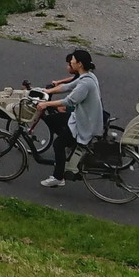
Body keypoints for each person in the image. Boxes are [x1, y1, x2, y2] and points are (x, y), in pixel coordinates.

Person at [35, 48, 102, 189]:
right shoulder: (88, 76)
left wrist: (45, 104)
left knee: (58, 144)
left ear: (79, 64)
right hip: (81, 117)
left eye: (72, 61)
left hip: (83, 123)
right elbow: (67, 86)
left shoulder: (85, 83)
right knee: (54, 119)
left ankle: (58, 177)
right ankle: (70, 145)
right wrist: (47, 91)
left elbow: (68, 101)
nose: (70, 63)